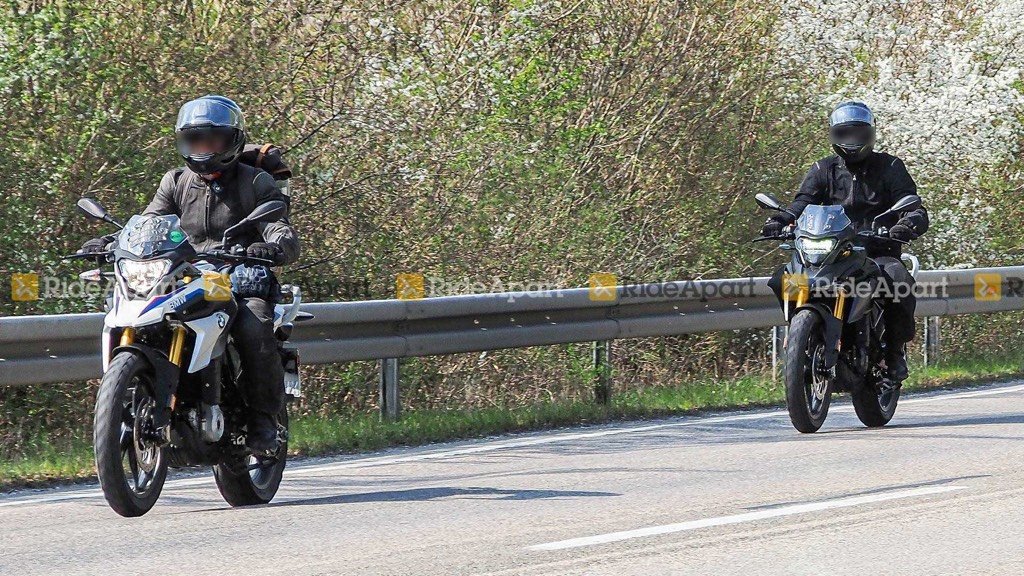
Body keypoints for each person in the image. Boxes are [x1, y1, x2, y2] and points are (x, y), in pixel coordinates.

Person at [80, 95, 300, 451]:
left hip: (241, 273)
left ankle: (264, 422)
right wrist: (111, 242)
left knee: (252, 324)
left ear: (233, 140)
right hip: (187, 272)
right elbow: (149, 222)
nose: (203, 148)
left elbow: (279, 227)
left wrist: (272, 246)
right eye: (196, 140)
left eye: (213, 140)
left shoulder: (255, 182)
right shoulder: (176, 181)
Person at [762, 101, 928, 384]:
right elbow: (803, 202)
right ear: (833, 134)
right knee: (782, 279)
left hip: (876, 251)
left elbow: (913, 205)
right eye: (844, 133)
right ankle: (802, 333)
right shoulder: (823, 168)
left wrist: (906, 224)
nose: (851, 140)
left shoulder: (890, 166)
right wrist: (781, 220)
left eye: (858, 133)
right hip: (831, 252)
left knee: (899, 282)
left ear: (870, 134)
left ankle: (894, 352)